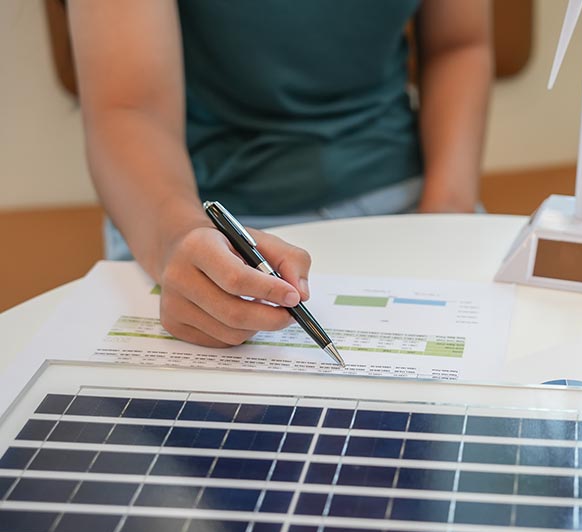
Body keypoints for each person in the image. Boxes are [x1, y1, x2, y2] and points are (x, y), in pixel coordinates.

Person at [69, 0, 491, 348]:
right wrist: (177, 240)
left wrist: (444, 219)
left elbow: (460, 44)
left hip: (414, 202)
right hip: (202, 227)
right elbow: (128, 109)